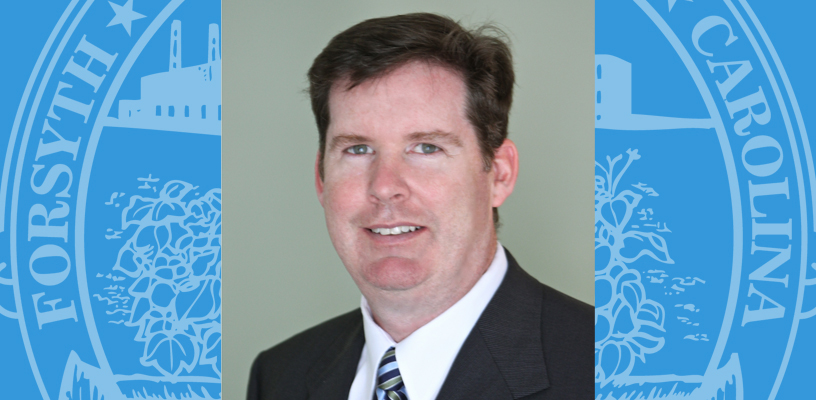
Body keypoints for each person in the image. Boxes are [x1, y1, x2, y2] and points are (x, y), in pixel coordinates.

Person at [247, 13, 592, 400]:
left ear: (499, 174)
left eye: (427, 147)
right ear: (321, 178)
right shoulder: (279, 377)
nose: (385, 186)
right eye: (357, 149)